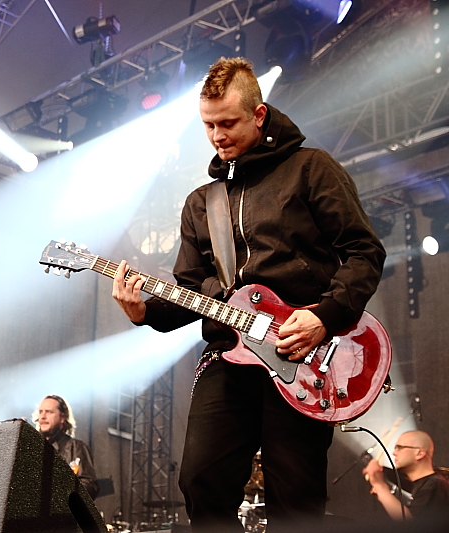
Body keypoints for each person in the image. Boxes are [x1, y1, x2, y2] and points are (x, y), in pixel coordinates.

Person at [111, 57, 386, 531]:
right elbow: (191, 287)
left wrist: (324, 315)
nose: (217, 135)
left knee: (294, 498)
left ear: (259, 116)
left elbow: (364, 252)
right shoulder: (202, 202)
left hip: (303, 353)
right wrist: (143, 312)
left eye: (228, 122)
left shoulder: (311, 169)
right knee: (200, 481)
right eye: (208, 125)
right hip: (229, 355)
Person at [362, 430, 449, 521]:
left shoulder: (434, 485)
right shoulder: (426, 483)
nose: (394, 453)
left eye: (400, 447)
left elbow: (412, 524)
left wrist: (380, 486)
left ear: (419, 454)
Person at [34, 395, 99, 499]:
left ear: (62, 418)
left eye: (49, 412)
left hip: (61, 514)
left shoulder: (76, 447)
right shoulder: (33, 449)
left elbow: (89, 485)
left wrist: (59, 495)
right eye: (41, 412)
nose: (43, 416)